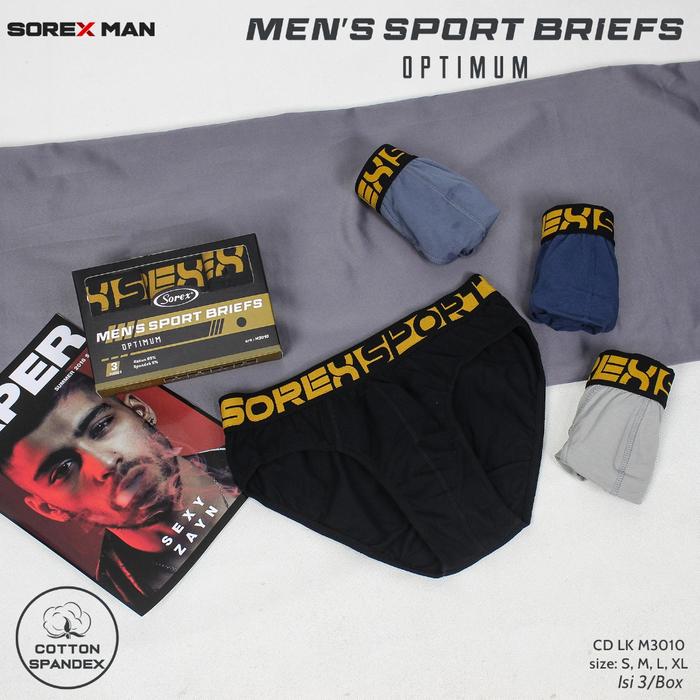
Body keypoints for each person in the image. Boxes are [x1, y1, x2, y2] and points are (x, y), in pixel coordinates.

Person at [0, 371, 240, 612]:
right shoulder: (120, 602)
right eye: (62, 470)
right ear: (50, 509)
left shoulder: (248, 454)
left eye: (101, 426)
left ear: (140, 411)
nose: (105, 463)